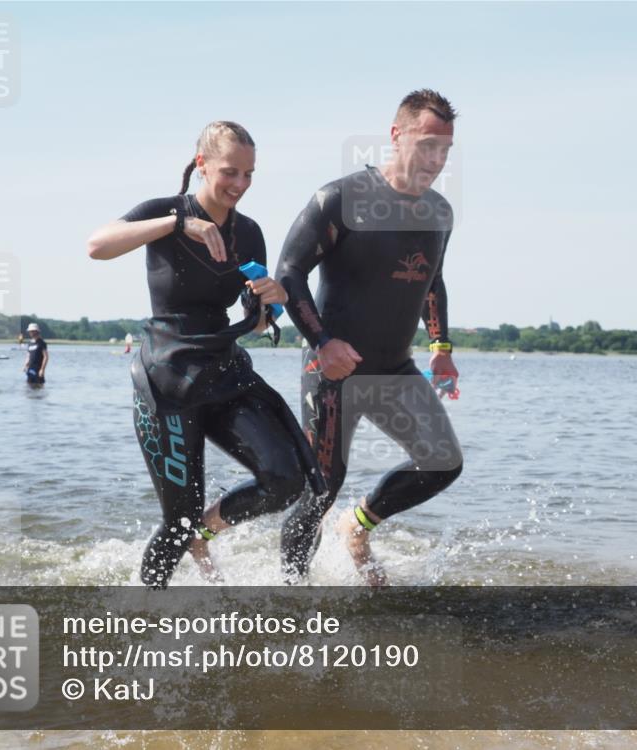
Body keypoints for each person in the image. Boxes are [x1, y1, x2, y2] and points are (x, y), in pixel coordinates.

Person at [87, 121, 325, 589]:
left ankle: (205, 534)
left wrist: (268, 302)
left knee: (285, 479)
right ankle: (147, 613)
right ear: (202, 166)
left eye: (249, 175)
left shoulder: (249, 233)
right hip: (166, 381)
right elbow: (97, 246)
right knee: (175, 522)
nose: (240, 185)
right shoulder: (165, 212)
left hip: (223, 371)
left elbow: (254, 323)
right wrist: (180, 223)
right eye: (230, 172)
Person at [276, 89, 464, 585]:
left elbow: (431, 281)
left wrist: (441, 348)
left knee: (443, 462)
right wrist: (323, 343)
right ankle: (292, 596)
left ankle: (356, 528)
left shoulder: (439, 214)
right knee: (321, 488)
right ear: (397, 135)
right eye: (427, 144)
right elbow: (290, 271)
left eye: (445, 149)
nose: (437, 159)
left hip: (394, 368)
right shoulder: (342, 199)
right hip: (333, 369)